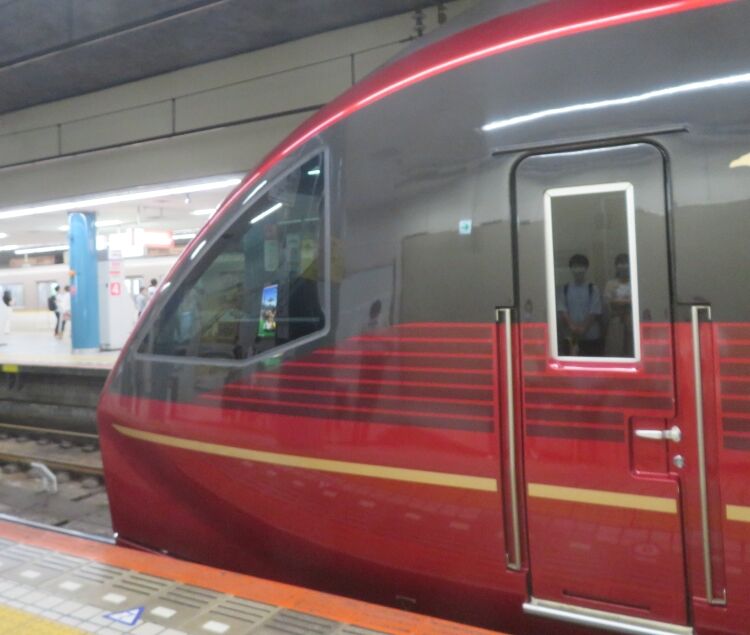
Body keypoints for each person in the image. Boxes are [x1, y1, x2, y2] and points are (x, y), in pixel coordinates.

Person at [556, 254, 603, 356]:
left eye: (581, 266)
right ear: (571, 268)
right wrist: (572, 326)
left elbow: (594, 311)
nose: (578, 270)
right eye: (575, 266)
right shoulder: (564, 288)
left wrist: (583, 328)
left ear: (586, 268)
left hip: (591, 336)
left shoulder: (593, 288)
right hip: (570, 336)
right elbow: (562, 309)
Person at [604, 253, 633, 357]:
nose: (623, 266)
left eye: (626, 263)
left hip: (632, 321)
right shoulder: (610, 284)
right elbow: (608, 302)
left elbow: (637, 301)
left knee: (632, 350)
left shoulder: (635, 283)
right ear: (616, 266)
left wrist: (618, 301)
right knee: (615, 350)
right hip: (616, 321)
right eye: (620, 263)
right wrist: (627, 301)